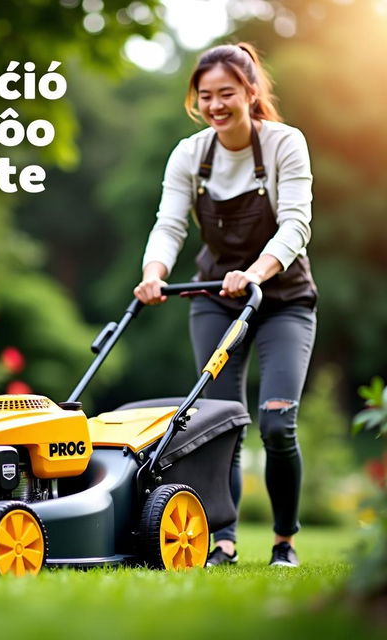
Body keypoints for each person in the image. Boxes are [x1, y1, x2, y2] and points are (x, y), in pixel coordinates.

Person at [134, 43, 317, 568]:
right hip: (214, 300)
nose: (216, 105)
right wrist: (153, 276)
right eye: (206, 95)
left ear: (251, 93)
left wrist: (255, 272)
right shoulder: (190, 154)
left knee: (277, 424)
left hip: (283, 299)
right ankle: (224, 539)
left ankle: (284, 540)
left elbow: (296, 224)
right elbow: (169, 224)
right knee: (220, 426)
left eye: (227, 94)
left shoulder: (284, 143)